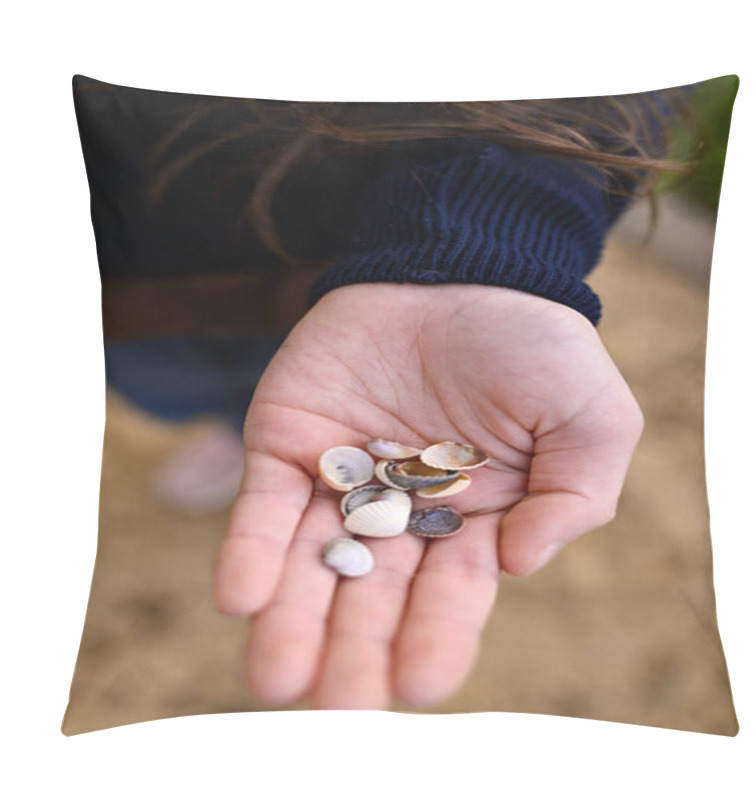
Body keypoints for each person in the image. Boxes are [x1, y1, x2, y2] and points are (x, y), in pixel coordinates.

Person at [74, 78, 695, 710]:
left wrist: (499, 232)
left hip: (352, 287)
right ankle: (231, 434)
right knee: (176, 393)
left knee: (292, 400)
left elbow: (611, 76)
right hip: (123, 302)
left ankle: (239, 434)